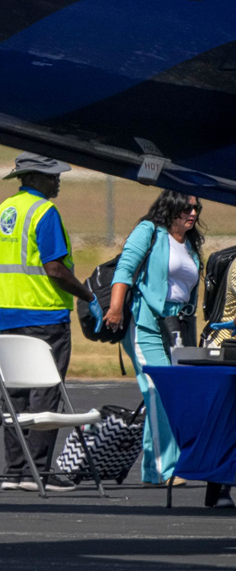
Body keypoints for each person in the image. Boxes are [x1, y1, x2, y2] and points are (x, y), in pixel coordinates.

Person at [0, 152, 102, 493]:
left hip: (7, 316)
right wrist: (88, 296)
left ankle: (15, 473)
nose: (57, 181)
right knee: (45, 397)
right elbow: (55, 268)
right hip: (45, 315)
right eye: (52, 176)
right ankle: (40, 473)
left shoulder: (1, 212)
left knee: (15, 398)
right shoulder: (44, 212)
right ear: (35, 178)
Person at [103, 190, 203, 487]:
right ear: (170, 207)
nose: (194, 213)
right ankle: (165, 468)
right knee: (159, 391)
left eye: (197, 208)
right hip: (145, 323)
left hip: (176, 327)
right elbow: (125, 269)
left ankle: (152, 468)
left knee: (168, 393)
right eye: (187, 208)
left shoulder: (191, 244)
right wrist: (116, 308)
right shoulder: (149, 231)